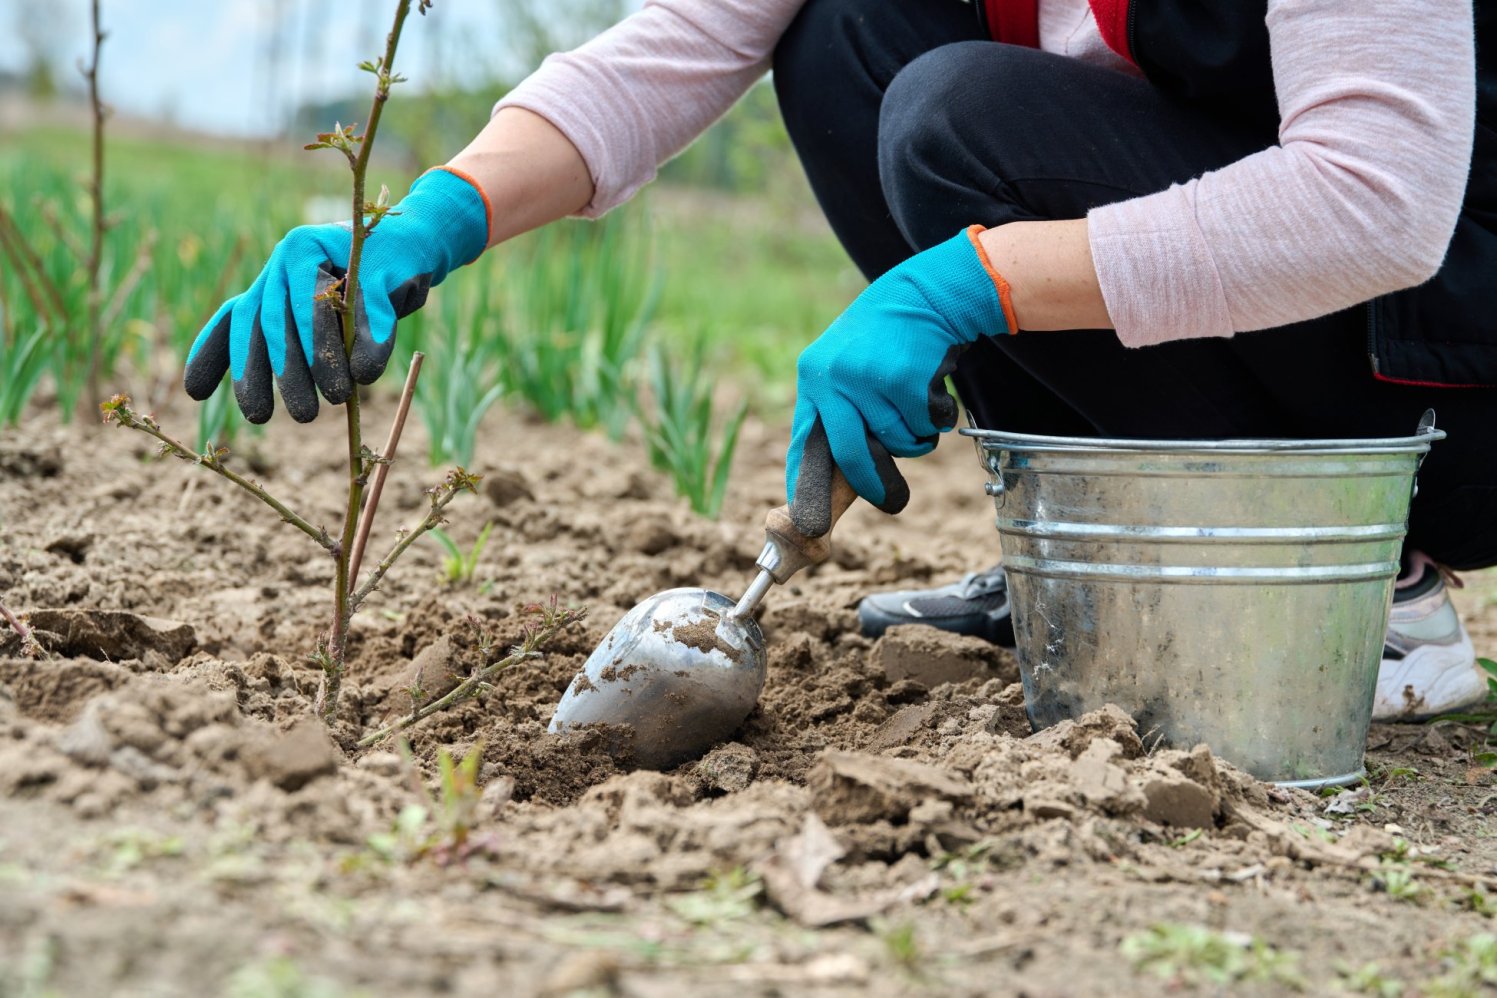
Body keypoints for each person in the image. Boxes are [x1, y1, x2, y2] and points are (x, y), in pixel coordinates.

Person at [184, 0, 1496, 722]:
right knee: (849, 35)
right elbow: (671, 50)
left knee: (958, 119)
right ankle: (1101, 552)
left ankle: (1353, 588)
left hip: (1443, 361)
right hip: (1293, 314)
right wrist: (421, 222)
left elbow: (1373, 194)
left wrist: (968, 282)